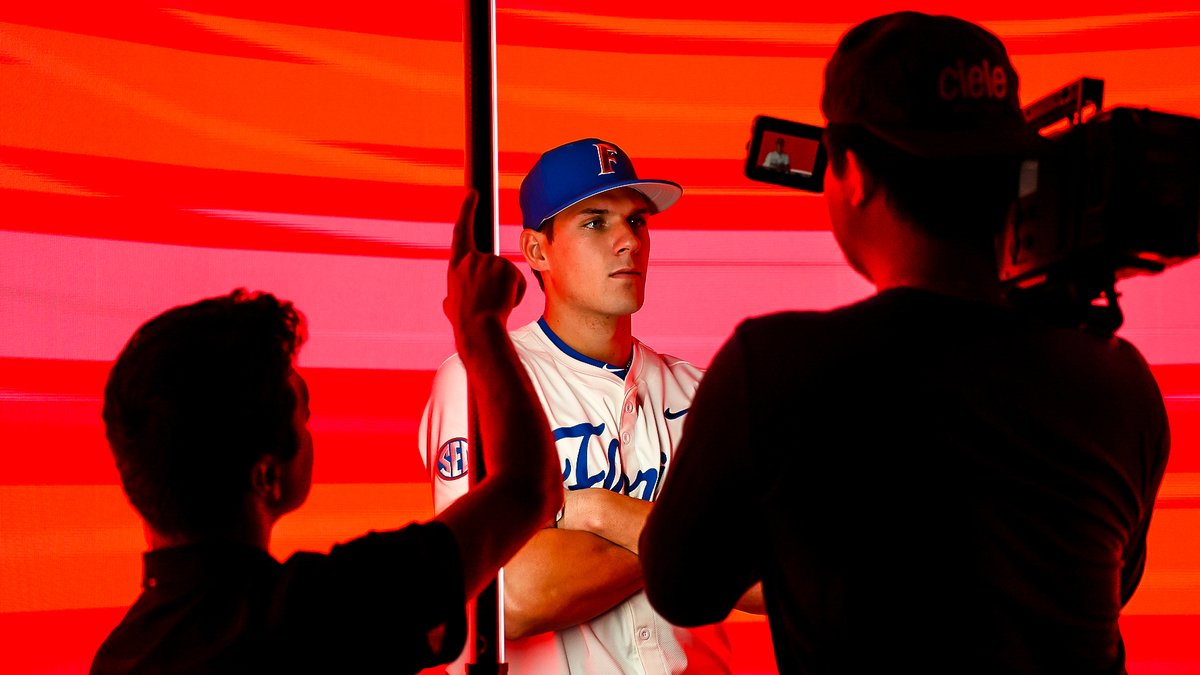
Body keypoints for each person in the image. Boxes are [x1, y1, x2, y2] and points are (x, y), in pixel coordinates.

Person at [640, 12, 1170, 675]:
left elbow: (682, 588)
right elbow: (1110, 582)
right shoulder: (1121, 381)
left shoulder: (776, 368)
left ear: (853, 173)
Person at [90, 192, 562, 674]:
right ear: (266, 477)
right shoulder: (317, 613)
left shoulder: (117, 658)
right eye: (304, 413)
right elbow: (528, 488)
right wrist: (479, 324)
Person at [421, 138, 752, 673]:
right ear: (537, 251)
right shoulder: (481, 378)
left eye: (638, 221)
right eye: (596, 222)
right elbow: (513, 594)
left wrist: (595, 511)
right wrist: (698, 537)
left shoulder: (703, 391)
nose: (628, 241)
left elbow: (768, 576)